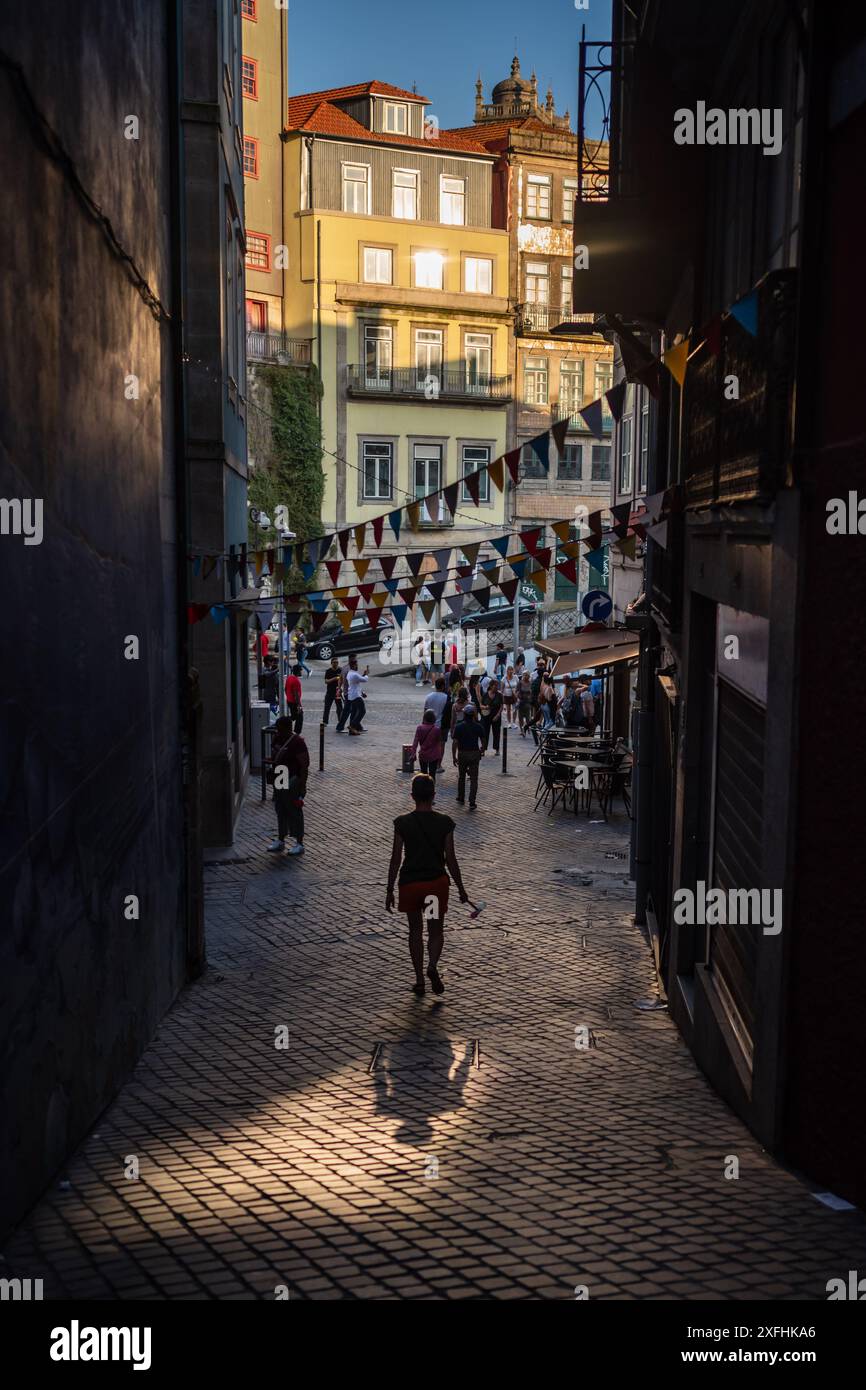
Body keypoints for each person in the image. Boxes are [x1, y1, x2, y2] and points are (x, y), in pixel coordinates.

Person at [386, 773, 470, 996]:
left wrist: (389, 889)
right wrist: (461, 888)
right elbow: (451, 859)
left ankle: (419, 980)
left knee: (415, 931)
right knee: (435, 930)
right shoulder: (445, 823)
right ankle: (432, 964)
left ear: (412, 796)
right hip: (435, 885)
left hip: (411, 886)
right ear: (433, 796)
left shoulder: (402, 823)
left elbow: (396, 858)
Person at [267, 716, 309, 856]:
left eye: (280, 729)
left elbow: (304, 765)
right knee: (280, 808)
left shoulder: (297, 742)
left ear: (288, 728)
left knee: (294, 810)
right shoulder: (277, 738)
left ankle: (299, 842)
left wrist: (302, 785)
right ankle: (281, 839)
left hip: (292, 778)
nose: (278, 732)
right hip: (280, 776)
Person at [451, 704, 486, 808]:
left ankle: (461, 797)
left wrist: (454, 756)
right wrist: (482, 749)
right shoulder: (478, 726)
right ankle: (472, 801)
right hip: (474, 753)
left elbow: (455, 742)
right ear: (473, 715)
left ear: (464, 714)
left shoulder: (459, 726)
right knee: (474, 778)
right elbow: (484, 740)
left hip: (462, 753)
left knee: (462, 777)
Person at [336, 655, 368, 734]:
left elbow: (355, 681)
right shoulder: (350, 670)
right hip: (349, 693)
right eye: (355, 660)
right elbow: (355, 682)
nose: (356, 662)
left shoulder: (345, 668)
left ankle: (356, 727)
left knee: (353, 710)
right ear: (351, 660)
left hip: (348, 692)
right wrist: (339, 689)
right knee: (350, 710)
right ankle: (349, 727)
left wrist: (339, 688)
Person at [411, 709, 444, 780]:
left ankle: (424, 789)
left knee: (423, 774)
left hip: (423, 754)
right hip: (434, 755)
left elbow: (415, 742)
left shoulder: (419, 728)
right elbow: (439, 743)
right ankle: (431, 789)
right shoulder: (437, 730)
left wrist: (413, 753)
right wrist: (440, 755)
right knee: (432, 775)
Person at [450, 687, 474, 767]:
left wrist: (452, 730)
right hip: (468, 726)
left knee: (456, 743)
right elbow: (474, 719)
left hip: (458, 726)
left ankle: (455, 757)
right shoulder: (470, 705)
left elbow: (453, 720)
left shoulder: (455, 705)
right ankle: (467, 763)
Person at [480, 677, 503, 754]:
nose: (497, 687)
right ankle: (483, 748)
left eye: (497, 685)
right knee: (485, 733)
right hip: (486, 716)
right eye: (495, 685)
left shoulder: (499, 695)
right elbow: (481, 705)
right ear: (491, 685)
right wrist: (485, 707)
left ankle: (497, 749)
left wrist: (498, 715)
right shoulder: (485, 694)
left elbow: (501, 706)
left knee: (496, 732)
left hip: (496, 716)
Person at [323, 656, 344, 727]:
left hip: (338, 692)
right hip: (329, 692)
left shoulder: (341, 670)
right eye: (334, 662)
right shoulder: (328, 671)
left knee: (339, 708)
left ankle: (340, 721)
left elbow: (344, 680)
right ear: (331, 663)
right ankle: (325, 721)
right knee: (327, 707)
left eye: (337, 662)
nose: (336, 664)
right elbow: (326, 681)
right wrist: (334, 678)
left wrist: (341, 688)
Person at [284, 664, 304, 734]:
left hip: (289, 701)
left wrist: (288, 697)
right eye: (301, 671)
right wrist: (299, 705)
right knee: (300, 716)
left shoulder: (289, 678)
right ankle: (297, 732)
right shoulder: (296, 681)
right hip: (294, 702)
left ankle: (285, 723)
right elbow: (296, 695)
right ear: (298, 671)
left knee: (294, 716)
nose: (301, 672)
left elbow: (285, 689)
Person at [517, 670, 533, 735]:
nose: (525, 676)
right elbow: (516, 691)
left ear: (529, 676)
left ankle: (527, 728)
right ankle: (521, 730)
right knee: (520, 718)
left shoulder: (531, 683)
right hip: (521, 702)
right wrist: (518, 696)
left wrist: (530, 696)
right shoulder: (520, 683)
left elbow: (532, 692)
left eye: (527, 675)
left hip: (528, 702)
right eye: (524, 675)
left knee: (527, 718)